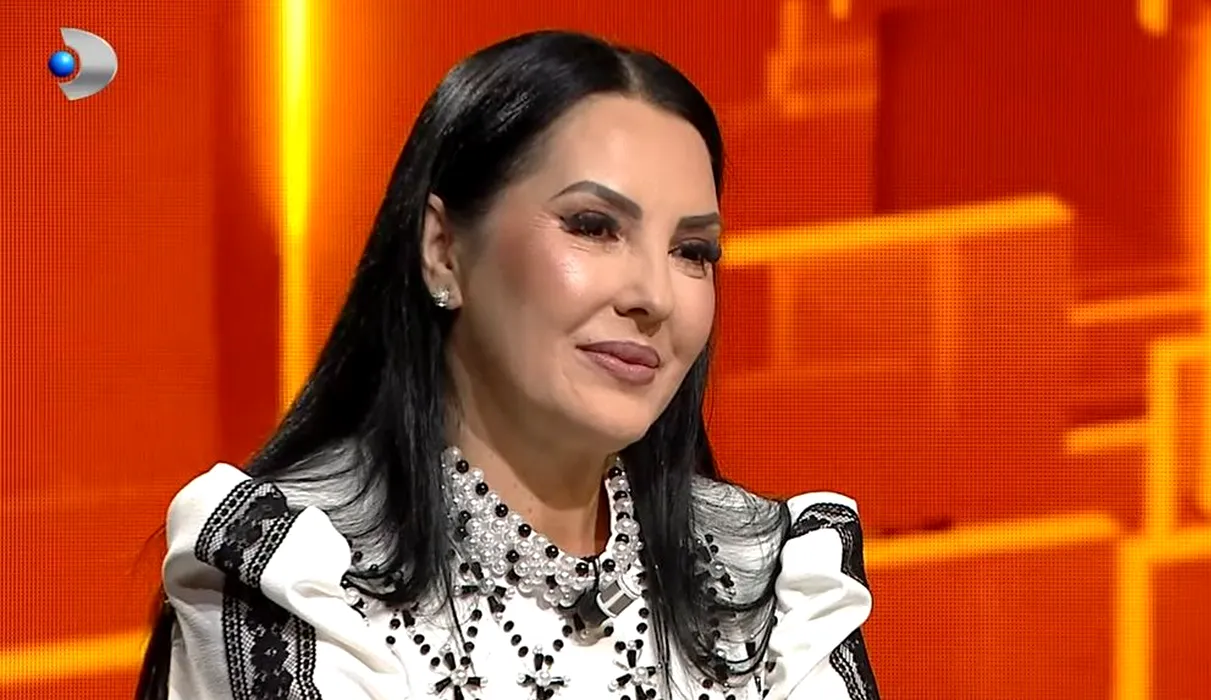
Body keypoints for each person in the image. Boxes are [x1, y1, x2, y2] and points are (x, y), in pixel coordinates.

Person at [134, 29, 880, 700]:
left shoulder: (767, 581)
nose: (654, 296)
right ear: (442, 250)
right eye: (593, 226)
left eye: (692, 251)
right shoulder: (299, 574)